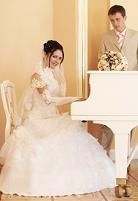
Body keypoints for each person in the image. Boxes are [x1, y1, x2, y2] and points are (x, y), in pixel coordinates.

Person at [0, 40, 115, 196]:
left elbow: (56, 97)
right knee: (67, 132)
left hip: (51, 116)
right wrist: (73, 99)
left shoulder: (52, 75)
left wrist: (71, 95)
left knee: (73, 131)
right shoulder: (37, 76)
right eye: (54, 56)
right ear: (46, 55)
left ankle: (75, 176)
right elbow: (49, 100)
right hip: (38, 120)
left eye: (60, 58)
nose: (57, 61)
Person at [98, 5, 138, 71]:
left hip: (133, 76)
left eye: (117, 19)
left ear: (125, 18)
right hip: (112, 77)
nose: (115, 23)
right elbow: (101, 60)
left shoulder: (136, 35)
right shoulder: (105, 37)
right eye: (112, 20)